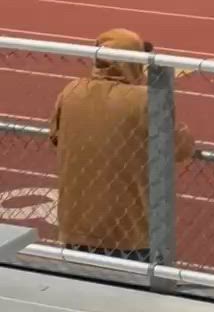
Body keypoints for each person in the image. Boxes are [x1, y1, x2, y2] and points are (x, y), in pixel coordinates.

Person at [49, 28, 194, 261]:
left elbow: (55, 137)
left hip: (76, 227)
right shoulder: (145, 99)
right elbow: (180, 148)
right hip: (130, 232)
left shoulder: (71, 91)